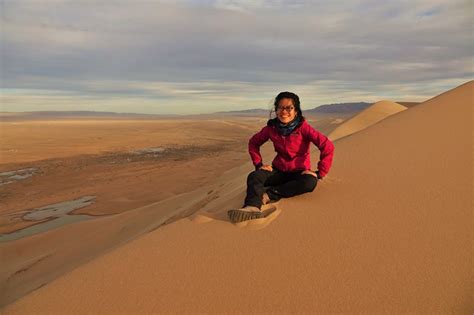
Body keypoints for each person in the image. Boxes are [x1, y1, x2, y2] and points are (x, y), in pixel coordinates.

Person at [228, 91, 335, 223]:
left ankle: (269, 195)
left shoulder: (304, 128)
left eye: (289, 108)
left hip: (299, 172)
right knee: (254, 176)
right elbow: (253, 143)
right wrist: (259, 164)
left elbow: (327, 146)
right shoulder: (271, 129)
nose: (284, 111)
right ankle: (252, 207)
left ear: (296, 111)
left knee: (310, 183)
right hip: (279, 171)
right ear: (276, 110)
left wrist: (319, 173)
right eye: (280, 107)